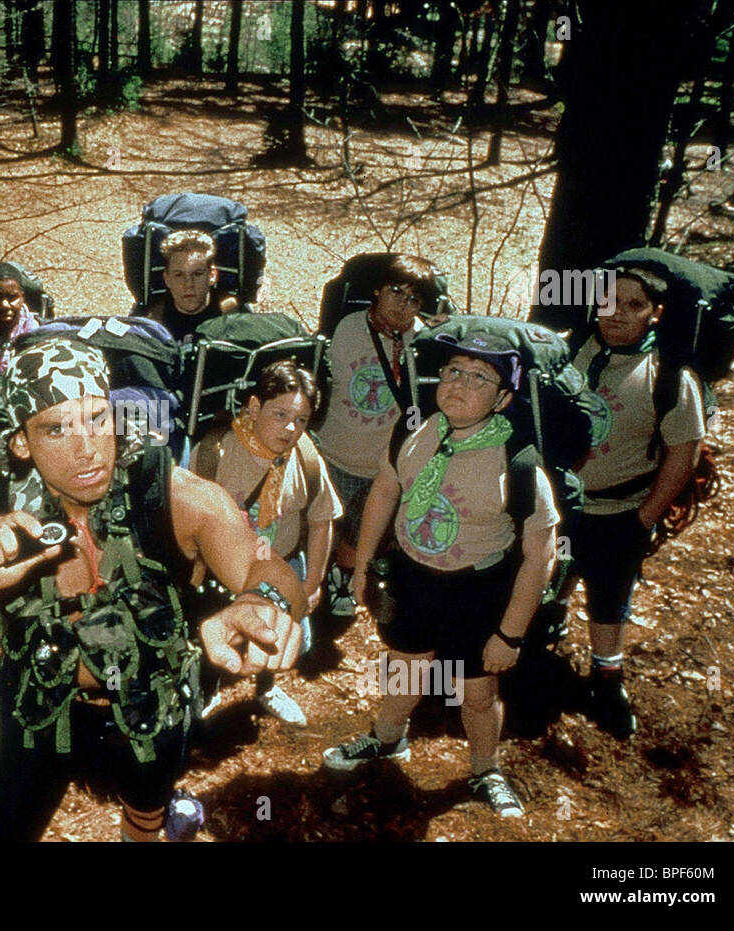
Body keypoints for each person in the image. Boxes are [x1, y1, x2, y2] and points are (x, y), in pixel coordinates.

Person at [0, 338, 305, 841]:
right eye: (56, 428)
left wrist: (261, 602)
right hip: (43, 713)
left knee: (147, 812)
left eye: (96, 419)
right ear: (22, 442)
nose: (86, 448)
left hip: (153, 709)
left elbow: (274, 570)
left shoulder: (176, 498)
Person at [322, 332, 558, 818]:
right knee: (405, 666)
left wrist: (509, 635)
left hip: (477, 589)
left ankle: (485, 769)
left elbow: (539, 558)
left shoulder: (519, 465)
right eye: (453, 370)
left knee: (476, 692)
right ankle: (387, 739)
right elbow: (385, 492)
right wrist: (363, 565)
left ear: (504, 398)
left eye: (479, 377)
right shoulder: (413, 431)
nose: (459, 384)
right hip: (413, 577)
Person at [565, 268, 703, 739]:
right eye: (609, 301)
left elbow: (683, 454)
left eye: (633, 305)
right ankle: (543, 645)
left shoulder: (667, 377)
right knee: (545, 579)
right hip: (559, 506)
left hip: (618, 512)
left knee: (609, 599)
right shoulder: (571, 353)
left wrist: (644, 518)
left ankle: (607, 680)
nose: (617, 313)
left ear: (655, 314)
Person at [189, 359, 340, 726]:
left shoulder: (305, 458)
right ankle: (208, 688)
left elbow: (321, 521)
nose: (291, 428)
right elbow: (190, 516)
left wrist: (312, 581)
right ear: (254, 408)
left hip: (282, 565)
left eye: (301, 420)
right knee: (218, 629)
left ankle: (266, 687)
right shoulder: (214, 454)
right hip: (223, 567)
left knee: (274, 637)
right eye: (280, 414)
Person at [315, 255, 441, 618]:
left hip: (381, 470)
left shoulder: (423, 342)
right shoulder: (345, 328)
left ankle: (344, 580)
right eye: (395, 292)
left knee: (357, 540)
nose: (402, 305)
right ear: (377, 290)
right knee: (324, 529)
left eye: (413, 299)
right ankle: (316, 583)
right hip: (333, 455)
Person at [145, 230, 241, 342]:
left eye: (197, 274)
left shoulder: (233, 317)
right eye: (179, 275)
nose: (188, 284)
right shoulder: (153, 323)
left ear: (212, 275)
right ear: (167, 279)